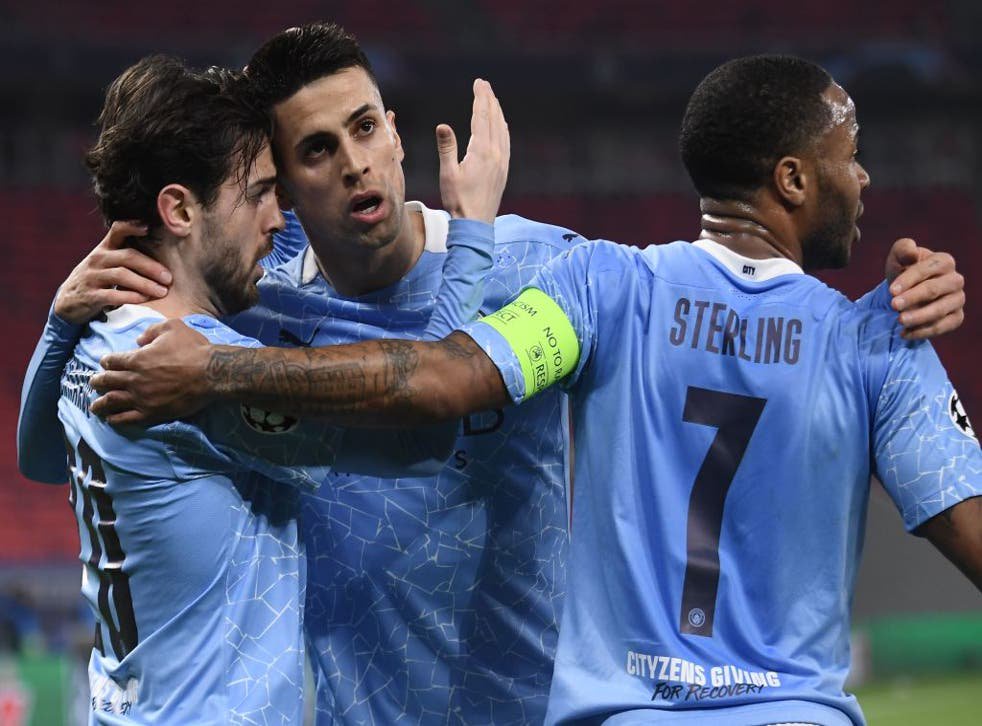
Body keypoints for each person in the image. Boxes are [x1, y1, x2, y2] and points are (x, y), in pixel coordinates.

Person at [17, 25, 968, 724]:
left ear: (396, 132)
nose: (354, 165)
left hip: (529, 708)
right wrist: (63, 321)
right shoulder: (251, 300)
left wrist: (892, 302)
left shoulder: (542, 266)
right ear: (285, 190)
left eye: (363, 129)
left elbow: (709, 308)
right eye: (313, 153)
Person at [41, 53, 508, 724]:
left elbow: (37, 458)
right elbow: (424, 443)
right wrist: (472, 236)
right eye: (259, 194)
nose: (277, 220)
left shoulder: (93, 337)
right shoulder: (190, 377)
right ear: (180, 209)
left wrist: (56, 325)